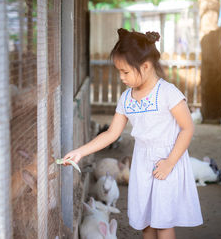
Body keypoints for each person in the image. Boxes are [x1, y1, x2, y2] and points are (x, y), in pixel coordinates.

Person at [62, 28, 203, 239]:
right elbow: (111, 133)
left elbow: (187, 128)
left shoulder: (168, 92)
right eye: (119, 71)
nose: (121, 77)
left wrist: (169, 163)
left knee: (163, 224)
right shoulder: (126, 98)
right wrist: (80, 152)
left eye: (125, 72)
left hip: (167, 161)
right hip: (143, 162)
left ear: (145, 66)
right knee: (146, 223)